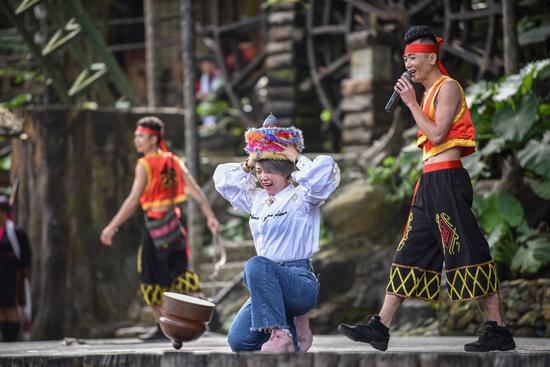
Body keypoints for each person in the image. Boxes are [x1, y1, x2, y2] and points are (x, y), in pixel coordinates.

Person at [338, 25, 516, 352]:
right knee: (409, 250)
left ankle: (498, 329)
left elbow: (437, 135)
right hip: (429, 183)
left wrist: (411, 104)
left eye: (414, 57)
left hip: (448, 180)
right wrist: (413, 102)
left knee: (468, 250)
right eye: (405, 57)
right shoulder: (425, 93)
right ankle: (380, 326)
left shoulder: (448, 88)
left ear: (431, 57)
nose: (408, 63)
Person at [213, 113, 340, 352]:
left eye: (269, 171)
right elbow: (223, 181)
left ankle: (280, 334)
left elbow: (324, 176)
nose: (262, 177)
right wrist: (249, 163)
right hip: (267, 286)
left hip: (298, 281)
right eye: (259, 171)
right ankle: (294, 329)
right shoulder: (256, 199)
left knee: (255, 265)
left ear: (285, 172)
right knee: (238, 340)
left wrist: (296, 157)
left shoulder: (302, 197)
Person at [100, 116, 219, 339]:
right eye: (136, 136)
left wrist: (112, 227)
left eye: (141, 136)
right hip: (175, 226)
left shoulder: (144, 165)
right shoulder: (174, 161)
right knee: (181, 273)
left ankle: (162, 327)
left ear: (154, 138)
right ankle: (207, 320)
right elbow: (196, 192)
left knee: (149, 276)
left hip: (155, 228)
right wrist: (210, 216)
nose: (136, 140)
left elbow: (133, 200)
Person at [0, 195, 31, 342]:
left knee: (11, 307)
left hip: (11, 276)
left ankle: (11, 340)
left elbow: (25, 255)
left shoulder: (17, 233)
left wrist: (23, 273)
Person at [197, 56, 223, 126]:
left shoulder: (220, 75)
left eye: (204, 66)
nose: (203, 69)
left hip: (219, 107)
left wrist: (207, 96)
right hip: (208, 109)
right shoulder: (204, 77)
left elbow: (218, 92)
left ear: (211, 64)